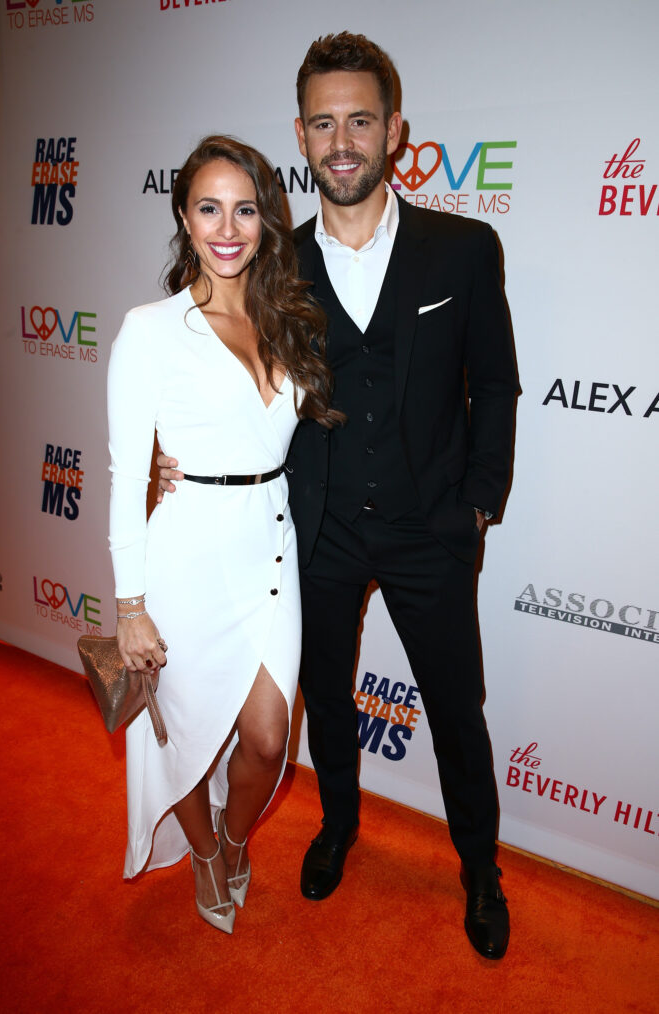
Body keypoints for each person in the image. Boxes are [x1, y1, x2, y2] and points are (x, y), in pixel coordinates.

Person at [158, 33, 519, 959]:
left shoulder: (464, 249)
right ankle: (338, 828)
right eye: (324, 122)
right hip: (313, 530)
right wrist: (168, 455)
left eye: (361, 118)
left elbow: (498, 384)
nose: (343, 138)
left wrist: (476, 502)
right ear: (302, 137)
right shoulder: (274, 268)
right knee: (325, 692)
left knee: (453, 704)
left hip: (430, 527)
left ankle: (480, 866)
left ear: (395, 129)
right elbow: (206, 360)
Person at [108, 135, 341, 934]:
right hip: (187, 554)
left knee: (270, 736)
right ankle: (204, 848)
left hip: (270, 548)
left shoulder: (288, 319)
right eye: (209, 207)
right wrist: (130, 604)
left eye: (245, 208)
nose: (228, 226)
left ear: (267, 220)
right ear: (184, 216)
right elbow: (121, 472)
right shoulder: (151, 328)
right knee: (177, 731)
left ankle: (235, 836)